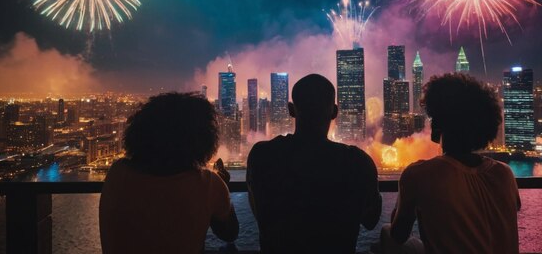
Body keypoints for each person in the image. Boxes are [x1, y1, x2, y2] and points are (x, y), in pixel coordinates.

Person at [382, 73, 520, 254]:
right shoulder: (505, 173)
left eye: (431, 118)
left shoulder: (419, 174)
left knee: (385, 233)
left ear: (439, 122)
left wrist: (406, 200)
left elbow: (398, 235)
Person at [247, 74, 382, 254]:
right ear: (335, 112)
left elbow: (260, 213)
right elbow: (371, 220)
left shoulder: (262, 155)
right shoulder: (357, 162)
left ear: (291, 110)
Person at [99, 93, 238, 254]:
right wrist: (224, 186)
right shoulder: (208, 184)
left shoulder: (117, 173)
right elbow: (229, 233)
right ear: (202, 138)